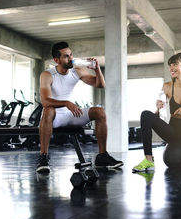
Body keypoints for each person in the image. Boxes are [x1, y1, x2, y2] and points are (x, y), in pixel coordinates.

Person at [36, 42, 123, 173]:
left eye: (71, 55)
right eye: (66, 56)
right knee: (48, 110)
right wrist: (66, 103)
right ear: (56, 60)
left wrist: (97, 69)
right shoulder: (47, 75)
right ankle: (43, 158)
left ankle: (102, 156)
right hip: (55, 117)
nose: (71, 58)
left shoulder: (76, 71)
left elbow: (100, 85)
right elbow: (45, 101)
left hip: (71, 115)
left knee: (99, 112)